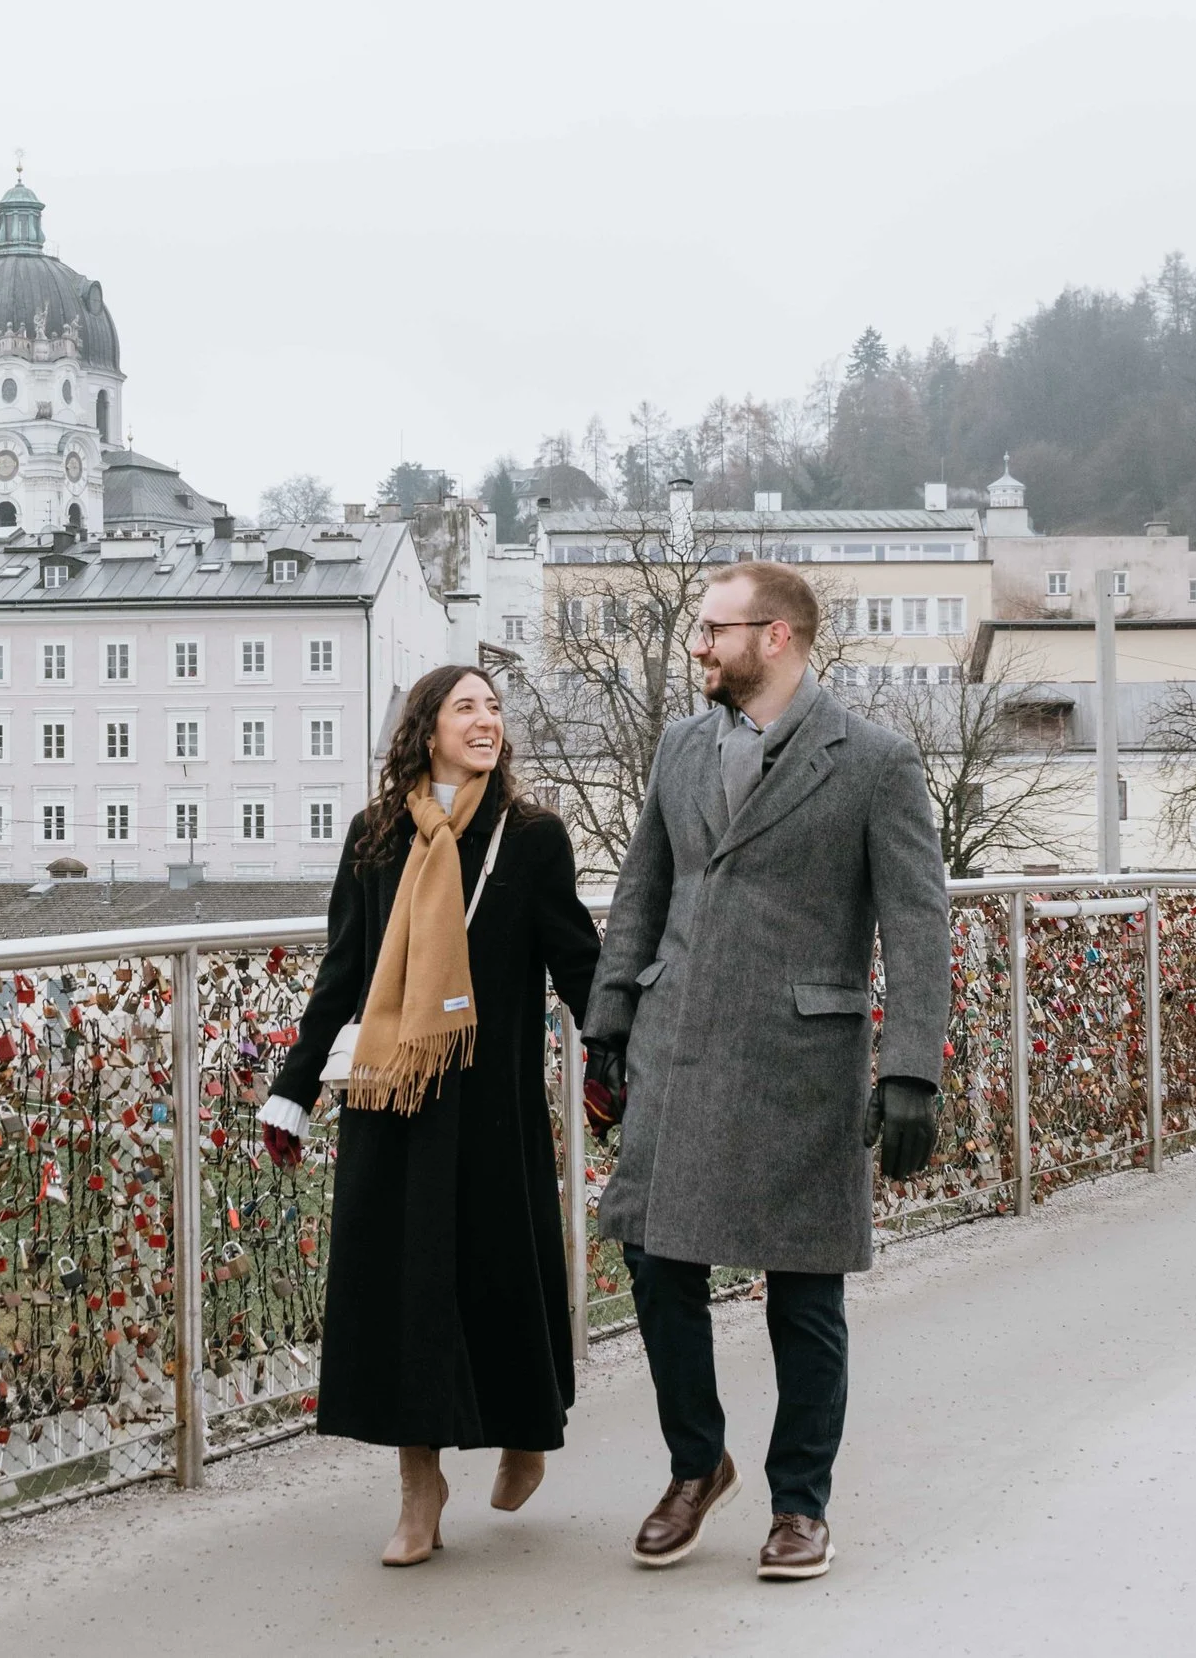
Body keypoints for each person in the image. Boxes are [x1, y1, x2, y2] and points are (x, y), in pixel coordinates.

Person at [579, 561, 948, 1582]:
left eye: (712, 629)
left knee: (802, 1288)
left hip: (798, 1057)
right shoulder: (679, 745)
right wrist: (611, 1019)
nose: (695, 645)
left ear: (774, 635)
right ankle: (697, 1464)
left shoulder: (873, 760)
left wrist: (912, 1065)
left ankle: (799, 1503)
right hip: (678, 1043)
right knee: (654, 1259)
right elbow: (640, 887)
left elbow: (917, 918)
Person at [262, 664, 601, 1568]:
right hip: (394, 1097)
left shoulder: (530, 837)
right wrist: (294, 1087)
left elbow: (578, 960)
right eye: (467, 707)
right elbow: (343, 970)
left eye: (494, 707)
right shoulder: (376, 836)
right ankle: (420, 1486)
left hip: (491, 1104)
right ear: (427, 727)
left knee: (501, 1274)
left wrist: (618, 1052)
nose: (487, 720)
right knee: (405, 1291)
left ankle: (524, 1429)